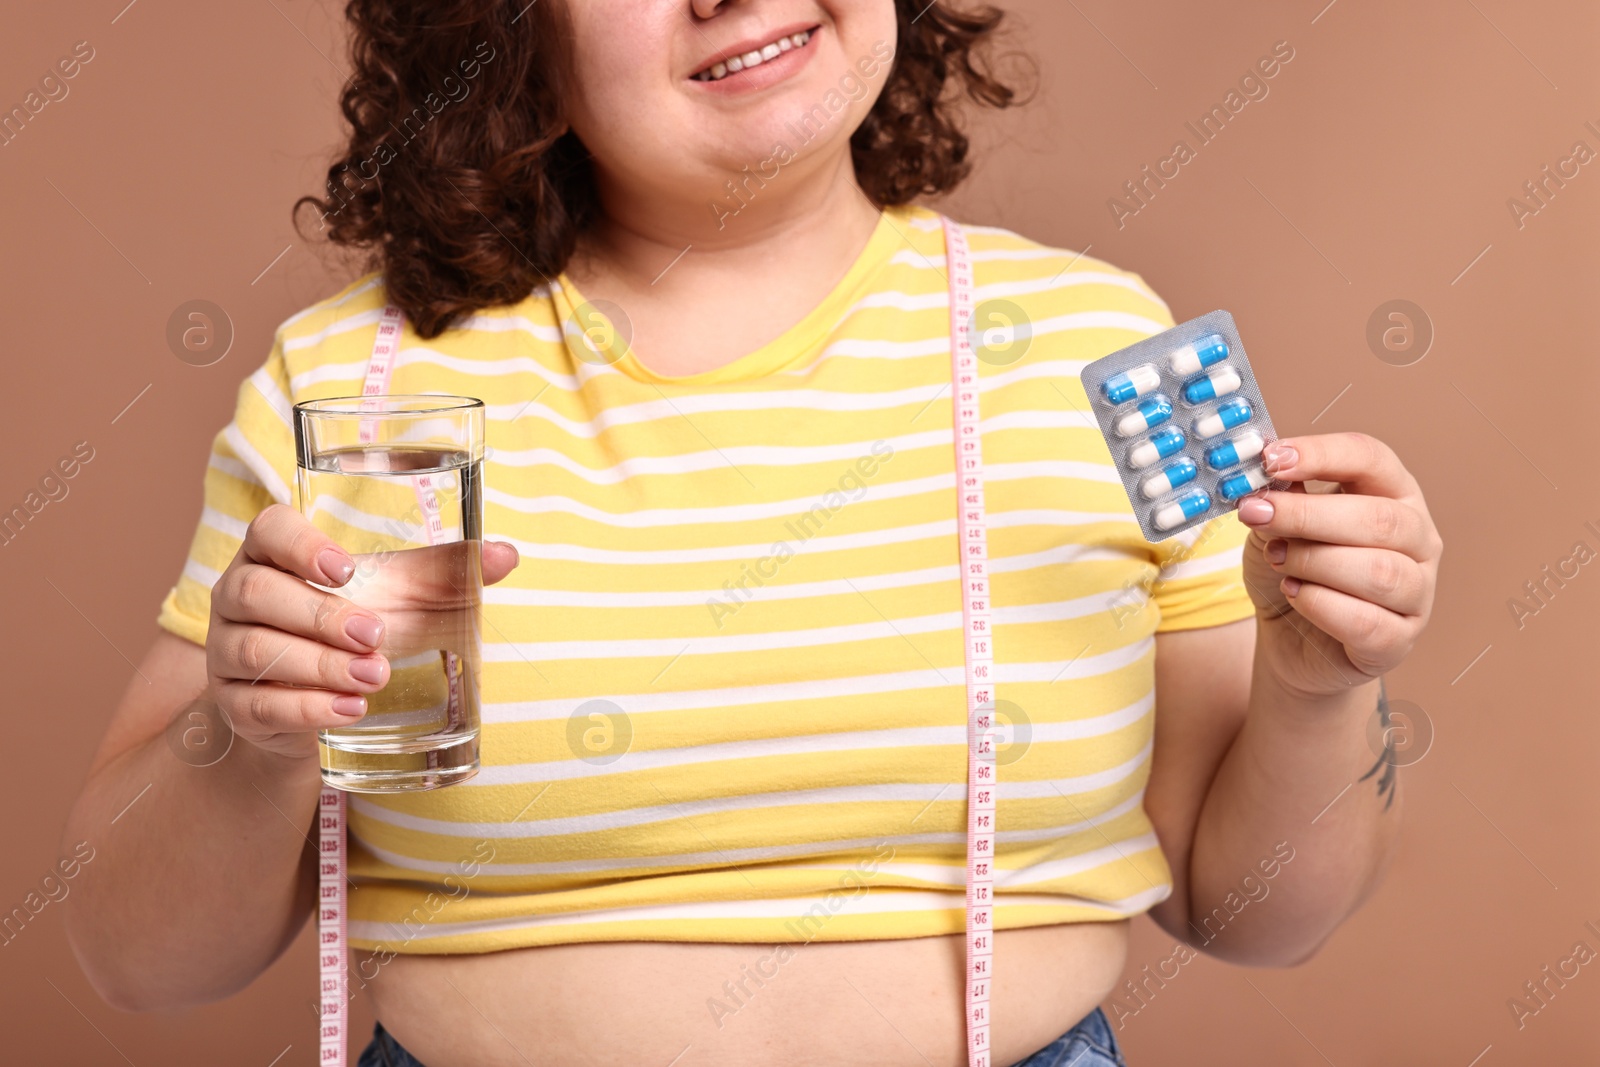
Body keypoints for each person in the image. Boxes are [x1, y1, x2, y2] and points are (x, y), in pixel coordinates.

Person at [62, 2, 1442, 1065]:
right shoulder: (358, 389)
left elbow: (1257, 914)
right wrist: (251, 744)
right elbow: (140, 956)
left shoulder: (1090, 349)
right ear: (511, 27)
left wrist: (1319, 687)